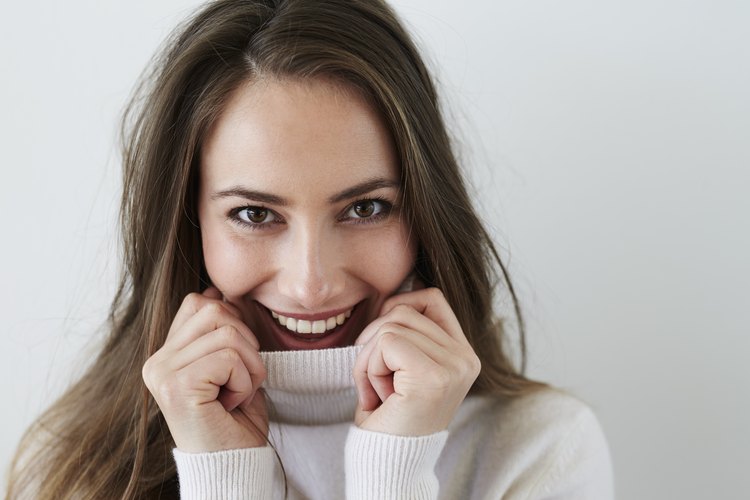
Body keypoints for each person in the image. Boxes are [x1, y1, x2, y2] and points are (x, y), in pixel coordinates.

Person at [7, 0, 614, 498]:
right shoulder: (74, 466)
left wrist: (394, 470)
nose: (311, 283)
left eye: (365, 208)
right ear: (189, 221)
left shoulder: (541, 450)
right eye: (255, 214)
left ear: (425, 210)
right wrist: (225, 481)